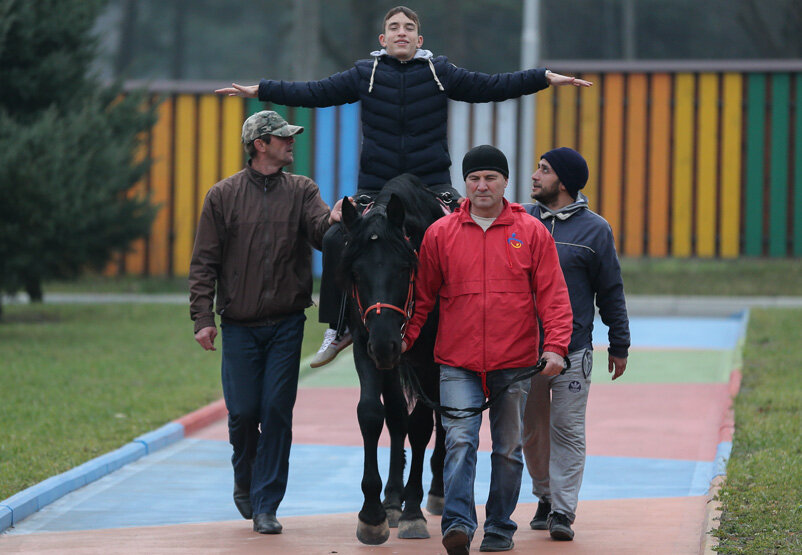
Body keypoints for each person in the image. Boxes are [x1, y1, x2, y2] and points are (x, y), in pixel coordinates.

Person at [216, 6, 591, 369]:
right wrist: (262, 89)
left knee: (461, 237)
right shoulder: (365, 73)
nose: (401, 33)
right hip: (375, 187)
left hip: (432, 185)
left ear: (418, 38)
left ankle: (458, 319)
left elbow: (491, 85)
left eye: (408, 28)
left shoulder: (439, 72)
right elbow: (315, 92)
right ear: (383, 38)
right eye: (394, 27)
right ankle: (341, 326)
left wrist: (542, 77)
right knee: (333, 240)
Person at [400, 145, 574, 554]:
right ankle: (458, 524)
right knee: (459, 440)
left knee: (508, 449)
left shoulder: (530, 231)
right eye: (474, 178)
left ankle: (499, 525)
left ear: (505, 182)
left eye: (490, 178)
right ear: (465, 183)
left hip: (514, 364)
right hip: (456, 362)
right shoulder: (440, 234)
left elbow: (553, 296)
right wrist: (406, 340)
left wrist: (556, 348)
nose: (482, 185)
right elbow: (422, 299)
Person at [189, 110, 340, 535]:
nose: (291, 142)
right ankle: (245, 479)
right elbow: (204, 262)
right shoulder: (222, 196)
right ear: (260, 144)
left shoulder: (303, 190)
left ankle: (266, 504)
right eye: (283, 137)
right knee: (242, 414)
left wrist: (334, 220)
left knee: (276, 412)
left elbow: (318, 232)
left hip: (287, 323)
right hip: (238, 324)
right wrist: (203, 317)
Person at [522, 147, 630, 541]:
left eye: (543, 170)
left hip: (574, 350)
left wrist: (619, 343)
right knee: (532, 431)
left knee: (567, 429)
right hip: (523, 352)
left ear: (562, 182)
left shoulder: (595, 230)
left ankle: (562, 512)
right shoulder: (520, 220)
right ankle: (545, 495)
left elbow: (611, 290)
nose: (534, 175)